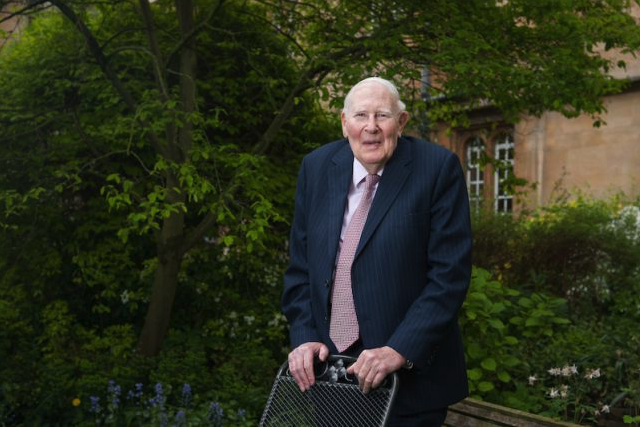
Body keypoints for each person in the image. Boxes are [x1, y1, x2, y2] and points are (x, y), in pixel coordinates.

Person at [281, 76, 472, 426]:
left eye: (382, 116)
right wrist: (304, 335)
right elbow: (300, 268)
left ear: (401, 122)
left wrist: (399, 349)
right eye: (360, 116)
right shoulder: (317, 168)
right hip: (332, 374)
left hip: (410, 384)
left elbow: (449, 275)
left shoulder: (437, 169)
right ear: (344, 123)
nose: (370, 128)